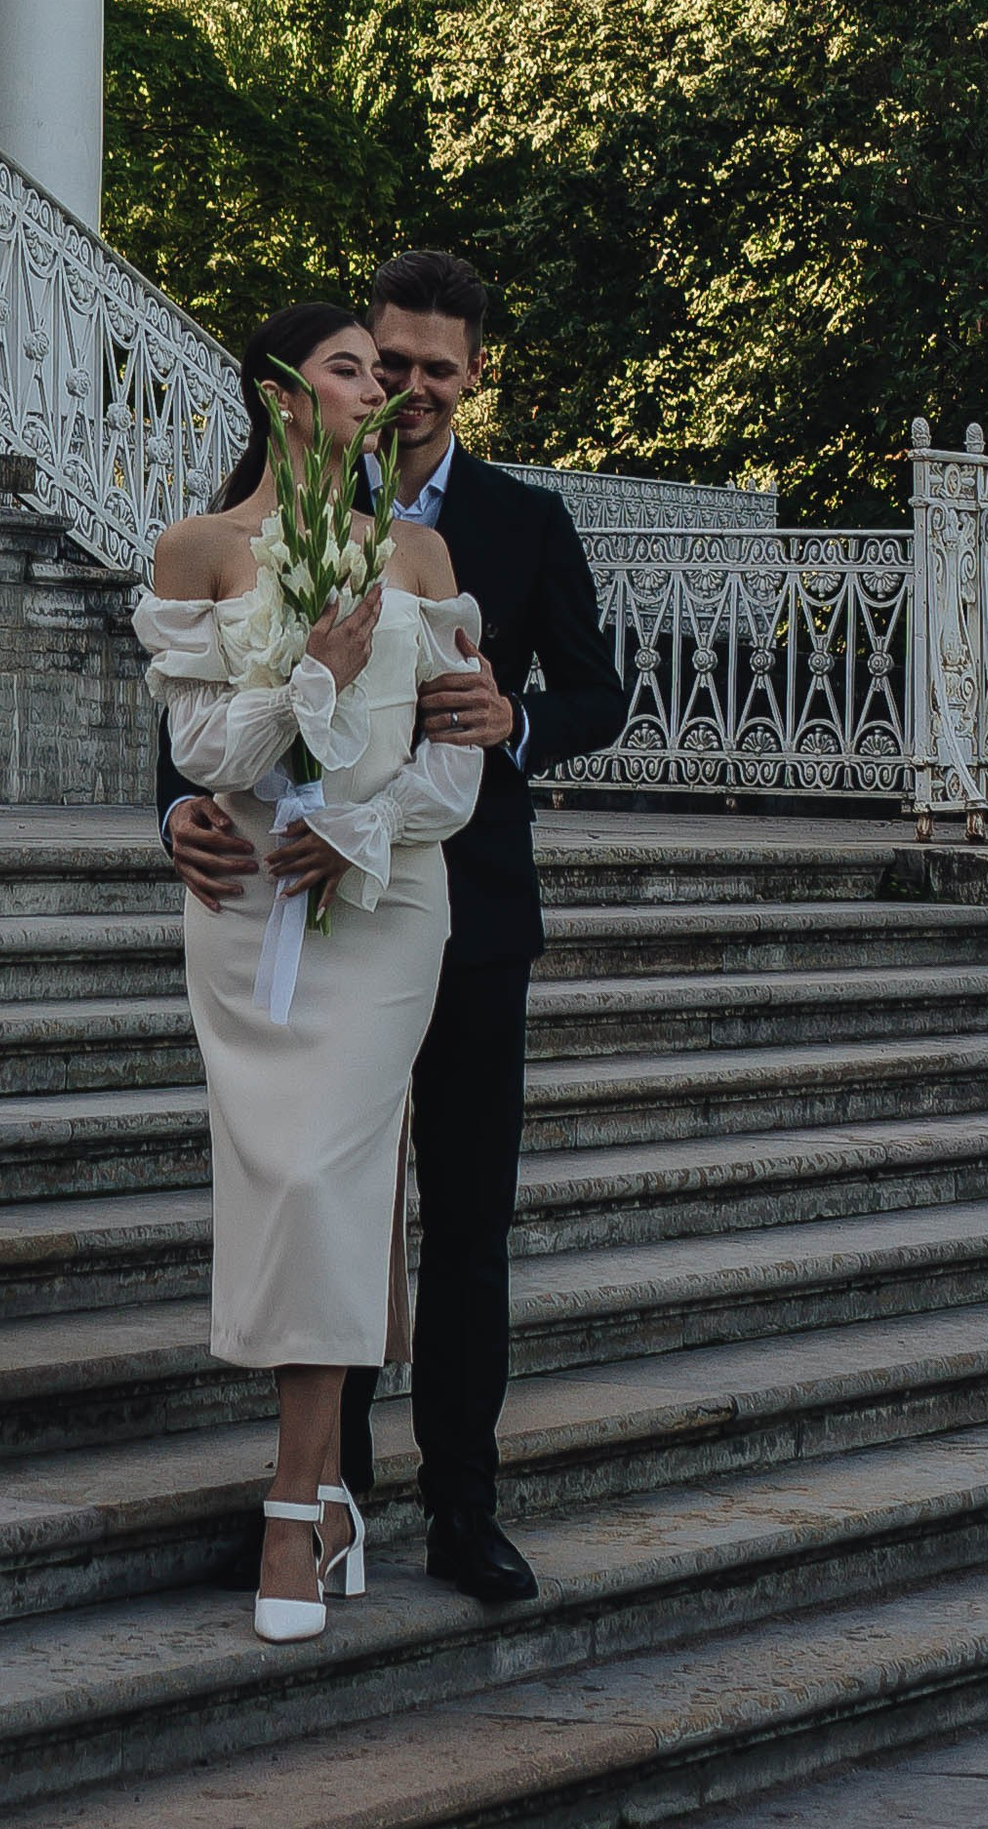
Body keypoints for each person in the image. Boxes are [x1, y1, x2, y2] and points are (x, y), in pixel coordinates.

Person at [162, 248, 625, 1607]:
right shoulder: (266, 521)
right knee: (331, 1194)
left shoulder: (521, 521)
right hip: (291, 905)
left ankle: (463, 1505)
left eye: (436, 367)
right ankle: (329, 1486)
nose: (411, 387)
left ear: (473, 374)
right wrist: (171, 818)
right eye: (390, 360)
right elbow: (194, 720)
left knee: (464, 1220)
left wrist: (515, 721)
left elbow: (598, 694)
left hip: (458, 908)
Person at [134, 299, 486, 1644]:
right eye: (354, 370)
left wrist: (358, 827)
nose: (383, 391)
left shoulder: (418, 549)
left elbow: (457, 754)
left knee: (335, 1168)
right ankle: (333, 1497)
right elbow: (207, 757)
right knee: (281, 1177)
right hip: (244, 900)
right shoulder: (197, 549)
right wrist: (309, 681)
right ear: (285, 396)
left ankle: (295, 1502)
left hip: (388, 899)